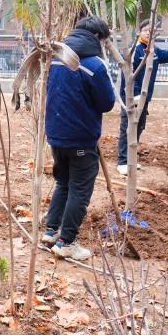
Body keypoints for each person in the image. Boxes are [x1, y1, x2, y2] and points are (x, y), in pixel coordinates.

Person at [42, 16, 117, 261]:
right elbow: (107, 103)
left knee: (63, 183)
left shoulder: (57, 59)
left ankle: (51, 231)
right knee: (79, 189)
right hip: (81, 139)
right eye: (104, 41)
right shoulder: (94, 65)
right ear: (97, 38)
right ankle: (67, 242)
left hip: (56, 135)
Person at [117, 19, 168, 175]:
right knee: (128, 129)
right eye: (145, 30)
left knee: (138, 128)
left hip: (144, 100)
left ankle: (130, 159)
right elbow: (128, 76)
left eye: (151, 31)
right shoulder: (134, 50)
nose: (148, 33)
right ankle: (122, 162)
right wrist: (134, 95)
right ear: (139, 32)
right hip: (132, 99)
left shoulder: (154, 51)